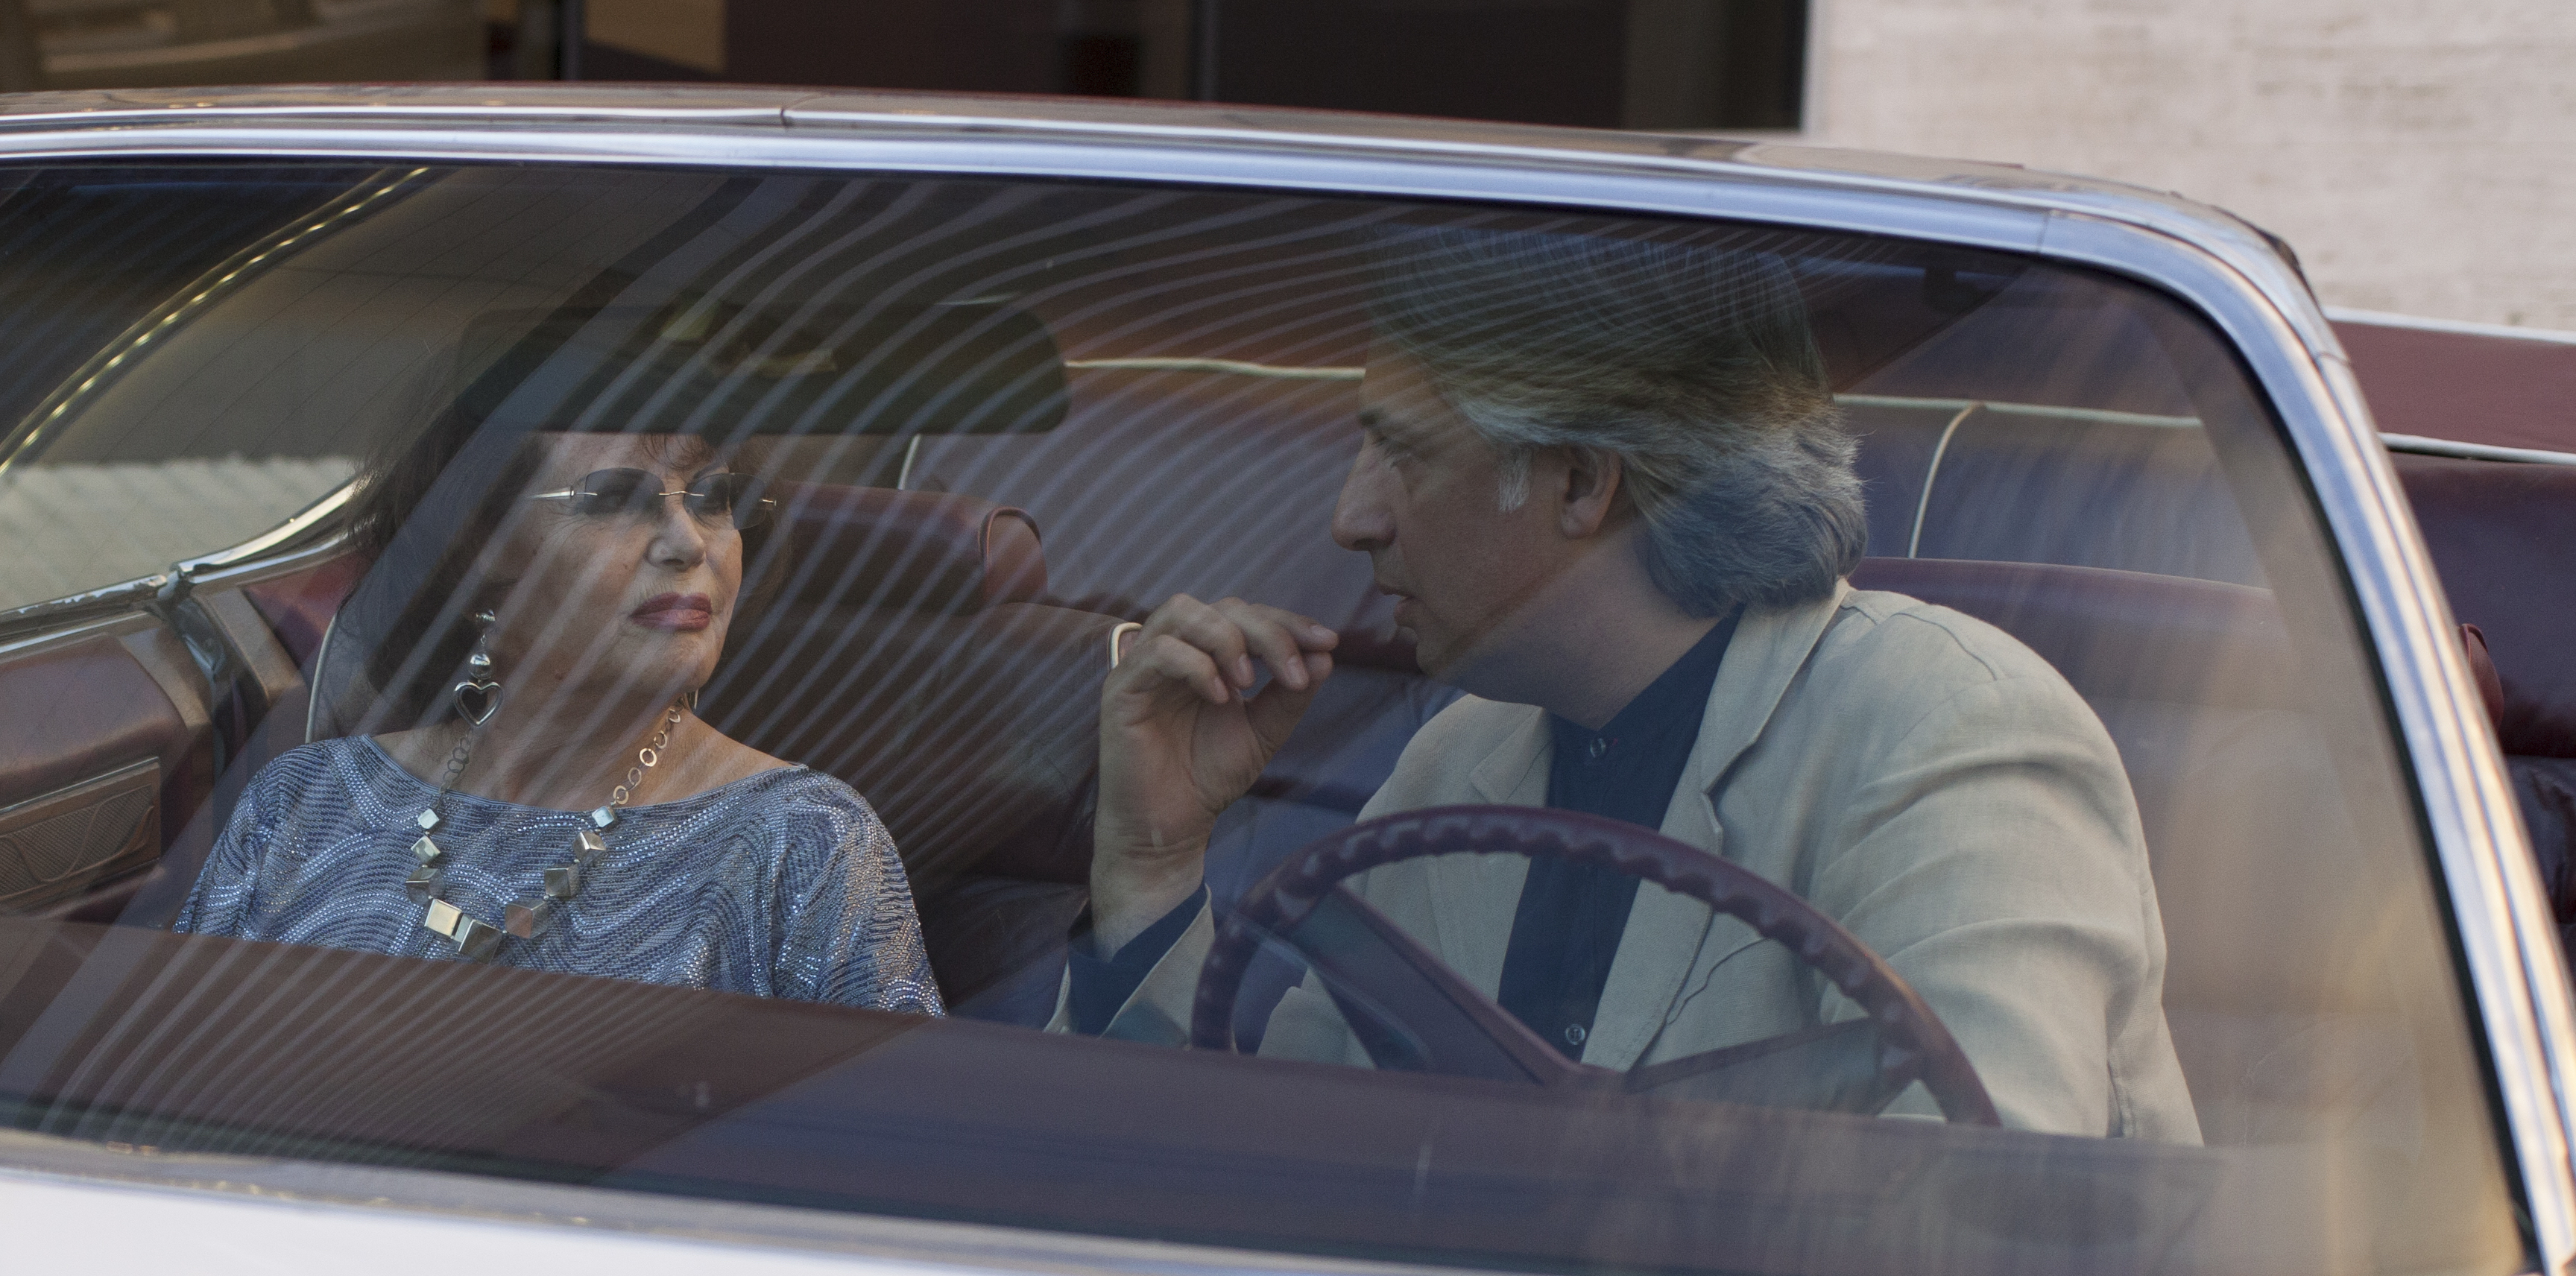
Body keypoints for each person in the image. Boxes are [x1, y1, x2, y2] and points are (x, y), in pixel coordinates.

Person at [1057, 228, 2197, 1140]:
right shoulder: (1459, 759)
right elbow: (1266, 1177)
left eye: (1402, 452)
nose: (1351, 519)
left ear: (1578, 485)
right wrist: (1152, 864)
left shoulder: (1951, 732)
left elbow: (1985, 1212)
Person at [173, 403, 943, 1016]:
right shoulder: (304, 802)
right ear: (479, 545)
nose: (687, 541)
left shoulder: (806, 845)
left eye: (715, 499)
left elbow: (896, 1172)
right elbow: (164, 1107)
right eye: (613, 500)